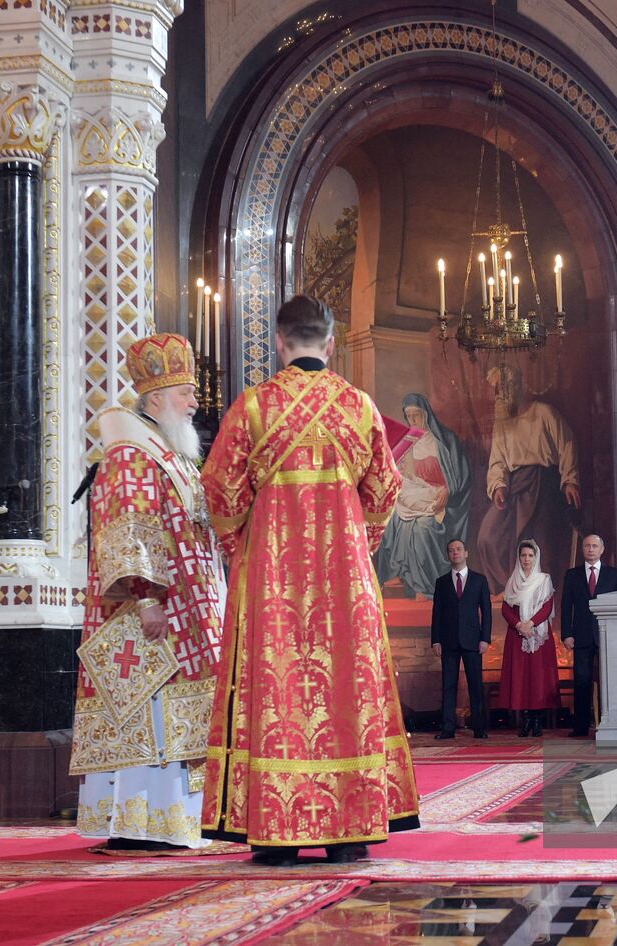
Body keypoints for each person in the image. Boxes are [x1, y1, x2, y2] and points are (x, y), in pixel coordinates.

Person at [199, 295, 418, 866]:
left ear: (279, 341)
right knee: (347, 688)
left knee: (278, 692)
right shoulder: (360, 407)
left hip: (271, 579)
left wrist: (241, 547)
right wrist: (360, 543)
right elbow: (385, 490)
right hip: (345, 578)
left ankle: (276, 834)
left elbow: (220, 489)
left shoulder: (253, 407)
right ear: (331, 342)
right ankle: (350, 831)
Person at [69, 334, 225, 851]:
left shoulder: (172, 454)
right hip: (153, 613)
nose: (196, 401)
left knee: (178, 714)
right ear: (155, 399)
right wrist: (147, 597)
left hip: (188, 607)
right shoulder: (131, 453)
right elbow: (126, 526)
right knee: (149, 709)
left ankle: (177, 819)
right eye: (186, 392)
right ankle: (143, 822)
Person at [476, 364, 581, 589]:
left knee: (538, 541)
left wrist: (570, 480)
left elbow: (567, 444)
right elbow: (497, 460)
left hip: (544, 484)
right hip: (515, 487)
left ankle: (537, 593)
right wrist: (498, 485)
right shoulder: (502, 423)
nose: (499, 396)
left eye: (503, 389)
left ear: (516, 387)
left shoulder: (543, 412)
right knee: (488, 536)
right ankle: (510, 588)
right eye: (497, 391)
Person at [377, 393, 471, 598]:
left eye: (417, 415)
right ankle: (400, 573)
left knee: (422, 527)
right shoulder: (409, 441)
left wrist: (448, 490)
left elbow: (461, 475)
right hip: (419, 492)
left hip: (443, 498)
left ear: (426, 414)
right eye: (409, 416)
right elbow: (404, 474)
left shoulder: (445, 440)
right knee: (394, 516)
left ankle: (424, 586)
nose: (413, 420)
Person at [560, 534, 617, 737]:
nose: (590, 549)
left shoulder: (614, 574)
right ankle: (581, 726)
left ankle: (613, 724)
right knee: (582, 681)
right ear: (582, 549)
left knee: (610, 681)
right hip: (581, 636)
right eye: (587, 546)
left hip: (608, 636)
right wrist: (566, 634)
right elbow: (566, 606)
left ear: (602, 549)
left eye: (594, 546)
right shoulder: (572, 575)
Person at [430, 539, 492, 739]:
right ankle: (447, 728)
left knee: (475, 684)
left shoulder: (479, 580)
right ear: (448, 555)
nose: (455, 553)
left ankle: (479, 728)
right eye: (451, 550)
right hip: (448, 641)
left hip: (473, 641)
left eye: (458, 549)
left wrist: (485, 638)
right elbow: (437, 613)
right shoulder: (441, 582)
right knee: (448, 685)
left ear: (466, 553)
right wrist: (436, 640)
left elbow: (487, 612)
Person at [499, 540, 560, 737]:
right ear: (519, 558)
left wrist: (531, 624)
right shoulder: (512, 581)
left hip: (538, 635)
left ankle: (537, 721)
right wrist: (519, 625)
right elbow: (506, 609)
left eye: (530, 556)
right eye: (523, 555)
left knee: (538, 677)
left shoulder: (544, 580)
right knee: (521, 677)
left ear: (536, 558)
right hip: (517, 636)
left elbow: (547, 607)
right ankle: (525, 720)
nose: (527, 559)